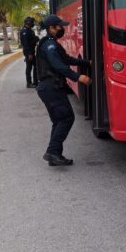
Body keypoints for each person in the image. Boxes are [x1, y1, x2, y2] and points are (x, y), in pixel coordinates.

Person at [36, 15, 91, 166]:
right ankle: (52, 152)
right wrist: (78, 77)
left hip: (50, 87)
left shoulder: (52, 43)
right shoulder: (49, 45)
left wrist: (86, 62)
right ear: (51, 28)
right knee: (67, 118)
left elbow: (66, 59)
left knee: (58, 121)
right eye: (59, 26)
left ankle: (55, 155)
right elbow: (58, 66)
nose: (63, 28)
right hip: (51, 87)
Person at [19, 16, 39, 88]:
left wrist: (36, 39)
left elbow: (32, 40)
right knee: (29, 67)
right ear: (28, 22)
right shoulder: (24, 31)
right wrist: (29, 54)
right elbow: (25, 44)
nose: (33, 23)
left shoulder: (30, 30)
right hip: (29, 52)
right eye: (32, 22)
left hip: (32, 51)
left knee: (35, 66)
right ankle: (29, 83)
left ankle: (35, 82)